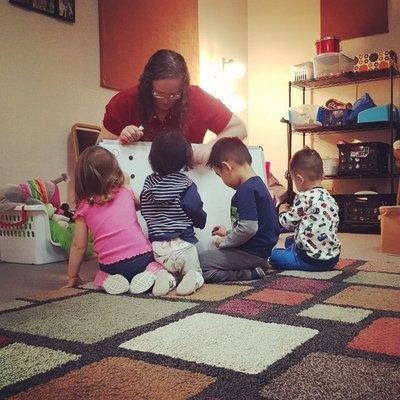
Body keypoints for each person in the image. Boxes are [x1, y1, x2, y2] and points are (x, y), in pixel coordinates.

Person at [99, 49, 247, 165]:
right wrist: (121, 140)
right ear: (147, 85)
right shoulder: (126, 101)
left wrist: (211, 147)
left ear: (183, 88)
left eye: (174, 94)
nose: (166, 100)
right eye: (159, 93)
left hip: (186, 179)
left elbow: (239, 128)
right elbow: (100, 151)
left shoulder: (196, 97)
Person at [66, 146, 163, 294]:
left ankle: (105, 279)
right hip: (142, 259)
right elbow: (140, 205)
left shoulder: (83, 207)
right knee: (158, 265)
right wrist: (124, 183)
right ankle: (150, 272)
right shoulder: (126, 192)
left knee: (100, 274)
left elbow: (79, 246)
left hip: (112, 266)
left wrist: (72, 275)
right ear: (115, 171)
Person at [199, 138, 280, 282]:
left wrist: (224, 242)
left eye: (220, 175)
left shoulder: (246, 190)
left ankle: (248, 274)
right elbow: (256, 226)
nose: (222, 180)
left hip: (250, 254)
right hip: (260, 252)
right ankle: (253, 268)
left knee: (199, 263)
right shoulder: (258, 184)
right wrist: (228, 232)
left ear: (227, 168)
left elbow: (248, 228)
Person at [137, 130, 206, 296]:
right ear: (185, 158)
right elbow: (194, 209)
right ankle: (192, 276)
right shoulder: (186, 184)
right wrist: (201, 221)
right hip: (184, 244)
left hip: (159, 248)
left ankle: (166, 277)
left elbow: (145, 210)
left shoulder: (149, 184)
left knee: (170, 271)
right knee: (194, 271)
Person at [269, 147, 341, 271]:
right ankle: (293, 252)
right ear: (323, 175)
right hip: (332, 258)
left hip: (308, 259)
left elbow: (288, 224)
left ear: (300, 179)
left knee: (273, 256)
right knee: (289, 240)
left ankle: (294, 257)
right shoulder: (330, 198)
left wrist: (282, 211)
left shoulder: (304, 197)